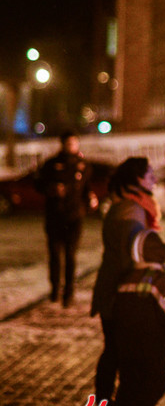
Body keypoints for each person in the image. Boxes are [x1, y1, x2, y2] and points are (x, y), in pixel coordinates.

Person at [90, 157, 162, 406]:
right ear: (137, 179)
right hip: (120, 295)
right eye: (149, 174)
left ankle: (106, 403)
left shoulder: (127, 206)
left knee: (114, 351)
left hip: (114, 290)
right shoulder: (131, 211)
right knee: (121, 352)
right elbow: (131, 258)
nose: (154, 178)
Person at [35, 130, 98, 307]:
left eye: (74, 143)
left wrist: (90, 201)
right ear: (62, 144)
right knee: (55, 255)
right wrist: (51, 189)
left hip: (74, 216)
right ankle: (55, 289)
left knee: (71, 255)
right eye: (68, 143)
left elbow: (87, 188)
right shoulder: (51, 164)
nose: (71, 146)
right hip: (54, 216)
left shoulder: (84, 166)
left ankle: (69, 292)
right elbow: (38, 184)